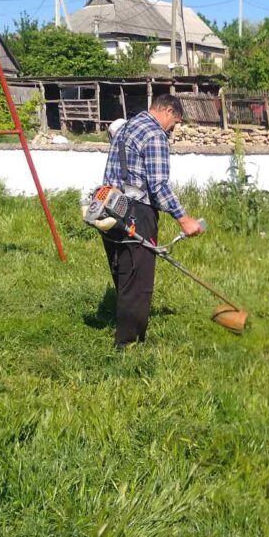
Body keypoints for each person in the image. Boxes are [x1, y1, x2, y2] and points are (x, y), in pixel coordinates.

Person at [100, 94, 203, 347]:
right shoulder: (155, 134)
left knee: (123, 271)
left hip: (109, 206)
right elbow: (158, 186)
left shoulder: (126, 127)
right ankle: (129, 344)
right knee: (138, 279)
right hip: (137, 211)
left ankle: (125, 326)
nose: (172, 129)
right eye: (174, 123)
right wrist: (184, 219)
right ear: (167, 111)